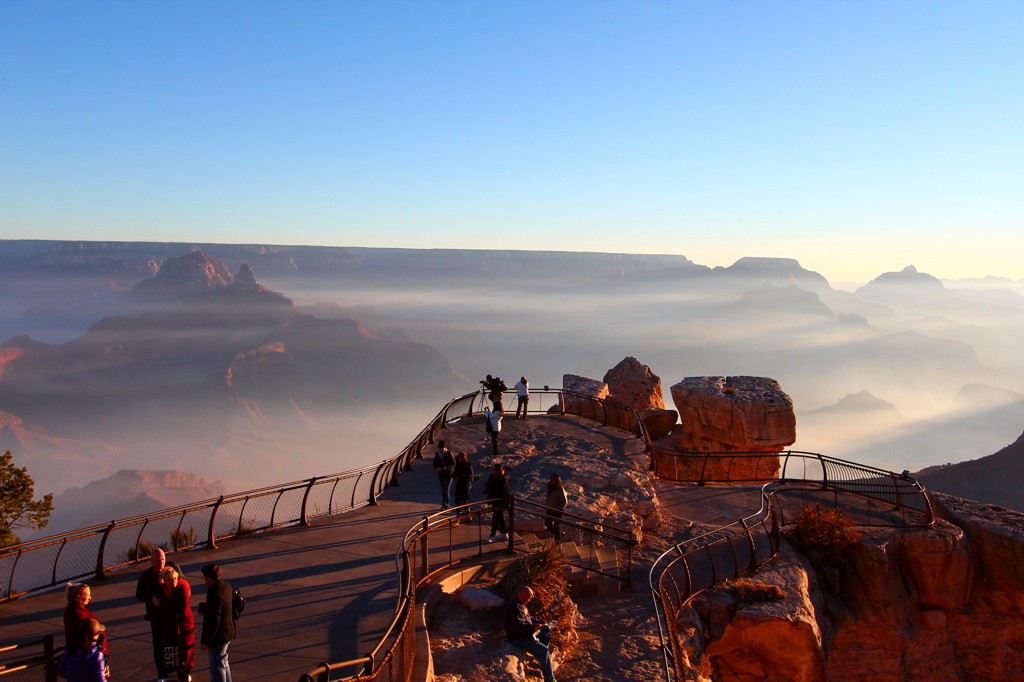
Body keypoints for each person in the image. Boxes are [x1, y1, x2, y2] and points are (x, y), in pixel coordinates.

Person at [136, 548, 181, 681]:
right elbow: (139, 594)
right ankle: (162, 674)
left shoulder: (172, 568)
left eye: (163, 558)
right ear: (151, 560)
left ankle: (181, 672)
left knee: (176, 643)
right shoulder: (146, 576)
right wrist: (151, 600)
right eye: (159, 559)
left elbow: (182, 582)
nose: (162, 561)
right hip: (156, 617)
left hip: (172, 614)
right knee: (158, 645)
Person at [504, 586, 557, 682]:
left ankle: (540, 657)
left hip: (526, 632)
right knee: (544, 650)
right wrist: (533, 627)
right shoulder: (514, 607)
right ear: (523, 595)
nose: (529, 600)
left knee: (546, 628)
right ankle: (550, 679)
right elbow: (518, 627)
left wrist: (539, 622)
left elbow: (528, 617)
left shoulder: (521, 604)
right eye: (529, 598)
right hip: (519, 637)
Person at [153, 565, 195, 682]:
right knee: (172, 652)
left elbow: (181, 610)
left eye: (175, 579)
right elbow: (162, 609)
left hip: (183, 627)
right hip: (170, 627)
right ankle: (177, 673)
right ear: (165, 581)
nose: (174, 582)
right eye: (171, 580)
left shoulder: (182, 588)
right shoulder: (162, 590)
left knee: (185, 652)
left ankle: (184, 675)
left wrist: (163, 608)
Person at [200, 564, 236, 682]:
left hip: (218, 638)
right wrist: (207, 608)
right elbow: (221, 607)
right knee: (223, 661)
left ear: (209, 578)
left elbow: (214, 621)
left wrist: (206, 642)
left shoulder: (214, 594)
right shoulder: (225, 586)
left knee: (216, 668)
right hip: (228, 632)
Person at [64, 584, 107, 659]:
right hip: (86, 652)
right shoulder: (78, 614)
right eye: (88, 595)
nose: (90, 598)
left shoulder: (73, 609)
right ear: (79, 596)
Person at [484, 461, 509, 542]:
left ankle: (492, 535)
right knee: (500, 517)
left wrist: (488, 489)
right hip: (494, 500)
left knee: (496, 517)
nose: (494, 471)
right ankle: (504, 533)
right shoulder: (492, 477)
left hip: (500, 501)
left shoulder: (503, 478)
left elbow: (498, 490)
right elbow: (489, 487)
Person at [543, 474, 568, 542]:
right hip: (550, 509)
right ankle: (559, 534)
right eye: (551, 479)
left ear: (557, 481)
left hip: (558, 510)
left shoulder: (560, 489)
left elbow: (564, 502)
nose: (551, 480)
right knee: (547, 523)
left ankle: (558, 541)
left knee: (556, 526)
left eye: (554, 479)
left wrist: (558, 509)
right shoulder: (550, 488)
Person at [432, 440, 455, 510]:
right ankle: (444, 504)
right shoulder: (437, 454)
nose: (441, 449)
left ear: (444, 447)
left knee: (446, 489)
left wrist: (445, 468)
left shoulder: (449, 453)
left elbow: (453, 464)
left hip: (448, 474)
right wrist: (437, 468)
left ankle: (446, 505)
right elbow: (434, 464)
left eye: (442, 448)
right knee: (443, 490)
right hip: (441, 475)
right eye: (440, 448)